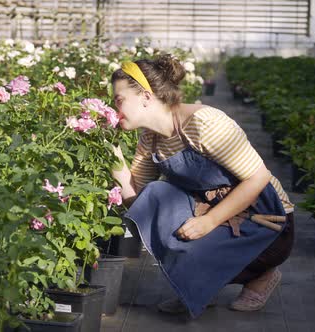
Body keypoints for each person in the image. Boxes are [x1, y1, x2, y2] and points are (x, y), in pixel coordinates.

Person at [110, 55, 295, 318]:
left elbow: (258, 178)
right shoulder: (150, 140)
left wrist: (208, 222)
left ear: (146, 97)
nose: (114, 108)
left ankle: (261, 274)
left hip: (268, 222)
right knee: (157, 195)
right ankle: (198, 289)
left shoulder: (202, 122)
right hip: (220, 216)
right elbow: (141, 204)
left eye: (119, 100)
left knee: (185, 227)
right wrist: (115, 162)